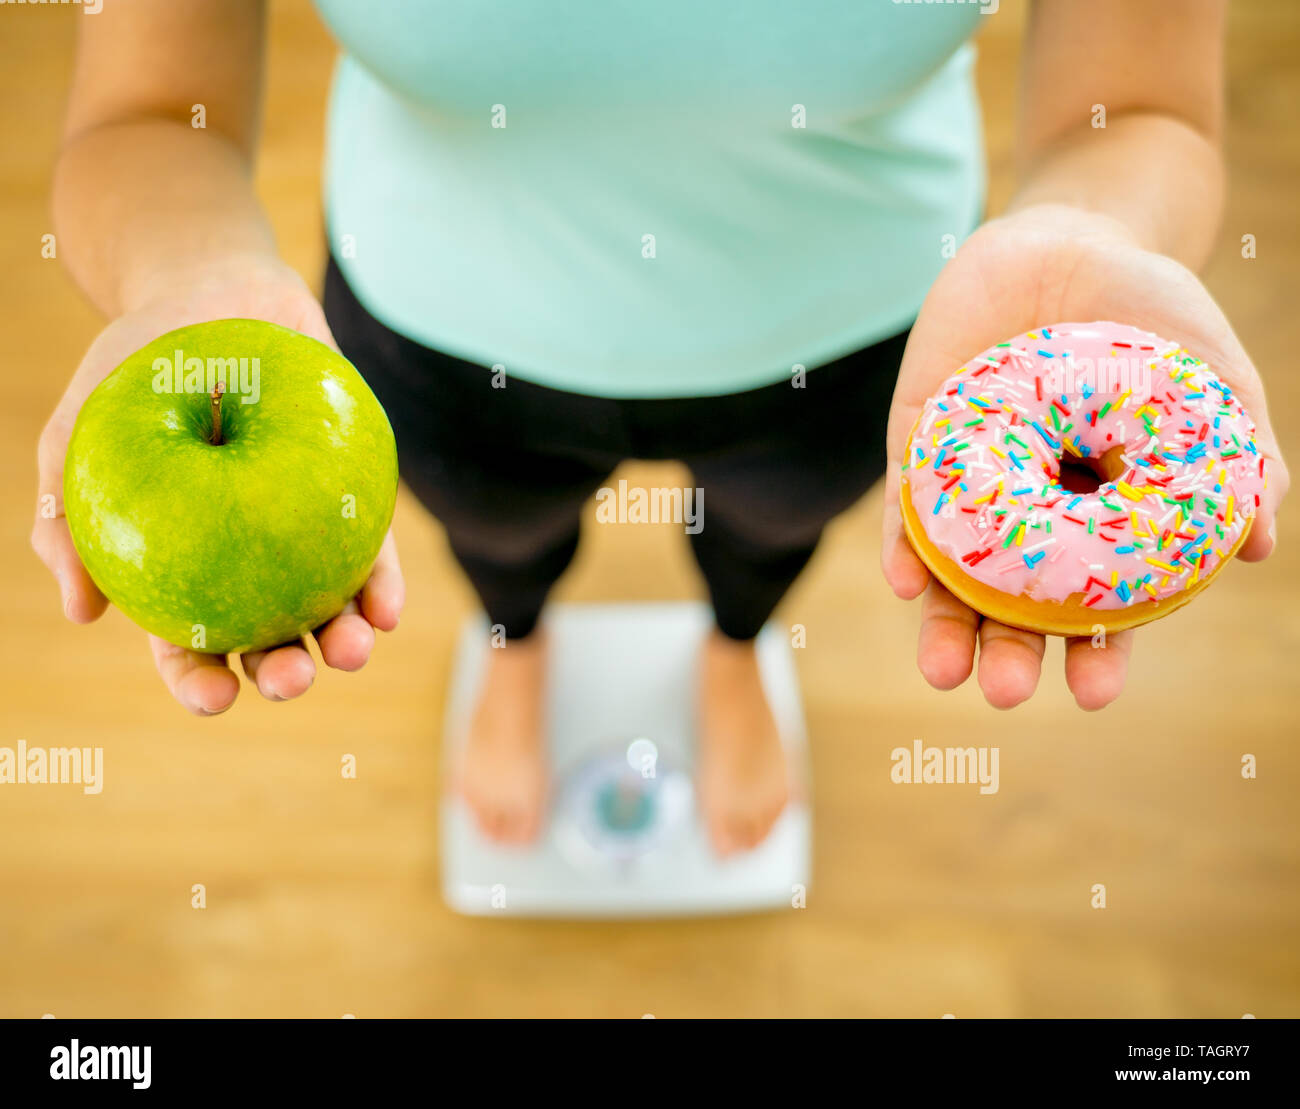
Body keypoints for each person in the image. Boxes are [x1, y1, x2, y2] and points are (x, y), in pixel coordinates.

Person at [34, 0, 1287, 854]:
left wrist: (1088, 232)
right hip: (432, 338)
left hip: (875, 344)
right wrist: (186, 278)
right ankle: (514, 645)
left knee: (771, 530)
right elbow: (145, 110)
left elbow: (1140, 101)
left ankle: (736, 645)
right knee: (496, 538)